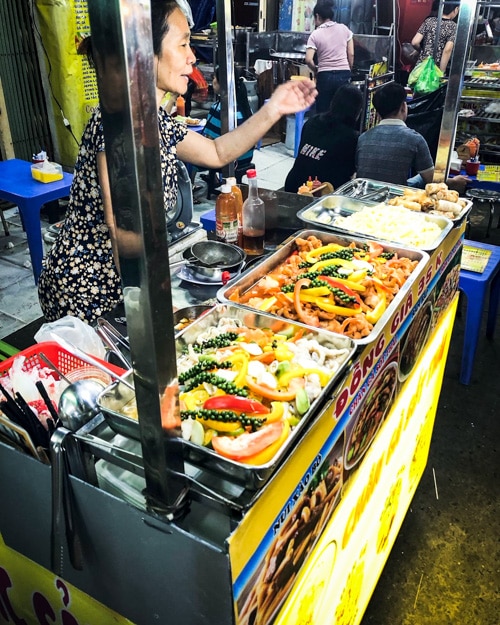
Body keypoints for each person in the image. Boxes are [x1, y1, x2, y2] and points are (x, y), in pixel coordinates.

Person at [37, 0, 317, 325]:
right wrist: (156, 307)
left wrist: (274, 109)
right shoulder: (120, 127)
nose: (192, 56)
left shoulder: (154, 119)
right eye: (183, 43)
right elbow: (123, 235)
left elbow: (216, 153)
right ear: (145, 53)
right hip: (90, 288)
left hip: (126, 279)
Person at [355, 81, 469, 193]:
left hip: (365, 195)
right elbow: (432, 181)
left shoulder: (363, 138)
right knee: (422, 177)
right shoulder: (414, 139)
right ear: (404, 107)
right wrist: (454, 182)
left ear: (378, 112)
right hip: (395, 200)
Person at [284, 83, 363, 193]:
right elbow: (349, 173)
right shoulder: (352, 138)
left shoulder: (312, 121)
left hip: (293, 185)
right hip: (322, 194)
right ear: (357, 111)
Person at [202, 65, 254, 174]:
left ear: (222, 83)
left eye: (214, 78)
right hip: (246, 159)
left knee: (189, 155)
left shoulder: (220, 109)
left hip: (230, 161)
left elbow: (209, 141)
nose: (213, 81)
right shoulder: (246, 108)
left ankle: (191, 185)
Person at [305, 1, 354, 114]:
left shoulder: (315, 34)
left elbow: (308, 59)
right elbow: (351, 54)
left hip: (324, 76)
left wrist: (316, 70)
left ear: (317, 16)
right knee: (342, 110)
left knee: (323, 112)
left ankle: (324, 131)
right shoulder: (344, 29)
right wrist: (348, 69)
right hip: (343, 74)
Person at [411, 1, 460, 74]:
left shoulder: (429, 21)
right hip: (435, 70)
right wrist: (441, 72)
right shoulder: (453, 27)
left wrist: (422, 50)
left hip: (421, 68)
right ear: (456, 9)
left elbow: (415, 42)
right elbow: (447, 50)